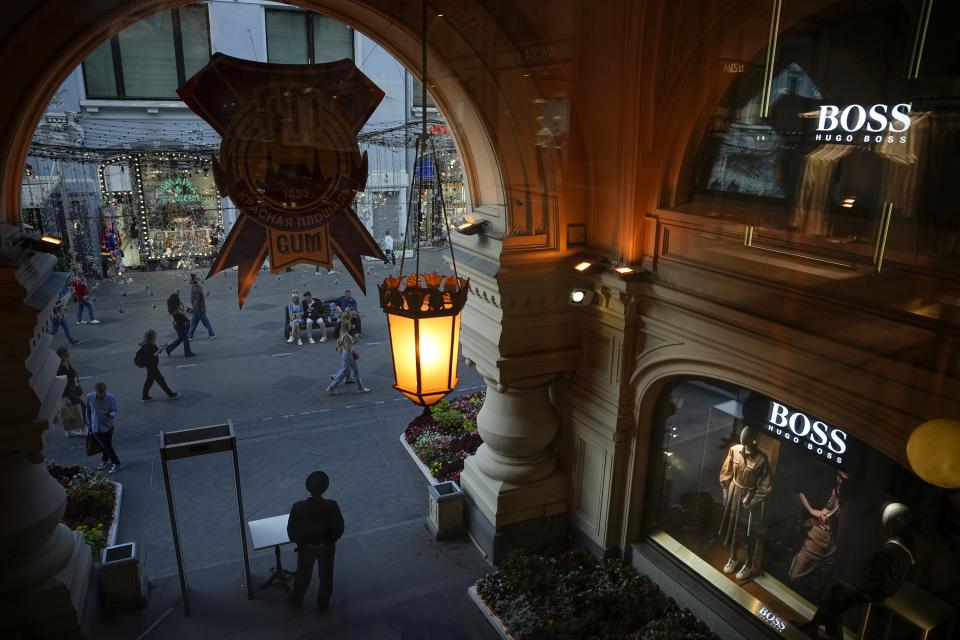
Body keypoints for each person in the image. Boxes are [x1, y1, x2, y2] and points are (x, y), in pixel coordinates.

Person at [796, 503, 915, 640]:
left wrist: (861, 589)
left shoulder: (890, 550)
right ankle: (819, 629)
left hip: (868, 591)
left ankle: (817, 629)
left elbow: (884, 586)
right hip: (870, 587)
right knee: (834, 598)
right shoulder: (906, 545)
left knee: (833, 595)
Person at [287, 471, 344, 611]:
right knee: (326, 577)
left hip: (306, 549)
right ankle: (323, 604)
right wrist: (328, 541)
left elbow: (292, 531)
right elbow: (339, 528)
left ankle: (297, 600)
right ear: (326, 487)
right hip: (326, 548)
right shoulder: (332, 506)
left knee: (302, 575)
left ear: (307, 487)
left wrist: (303, 544)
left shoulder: (298, 507)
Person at [84, 382, 122, 473]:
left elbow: (114, 410)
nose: (102, 395)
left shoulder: (110, 398)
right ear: (96, 391)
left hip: (108, 425)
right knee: (106, 445)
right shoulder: (90, 397)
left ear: (105, 390)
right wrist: (88, 424)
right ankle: (116, 463)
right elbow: (88, 411)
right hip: (95, 426)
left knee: (107, 445)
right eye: (100, 392)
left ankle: (105, 460)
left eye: (103, 392)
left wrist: (112, 415)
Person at [137, 329, 180, 401]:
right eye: (155, 336)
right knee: (160, 380)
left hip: (151, 365)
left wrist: (161, 348)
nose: (156, 337)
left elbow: (156, 351)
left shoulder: (151, 343)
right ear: (151, 337)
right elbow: (152, 355)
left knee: (149, 381)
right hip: (151, 366)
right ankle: (170, 394)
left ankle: (145, 396)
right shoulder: (147, 346)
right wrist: (159, 350)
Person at [56, 346, 85, 436]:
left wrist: (73, 371)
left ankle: (69, 431)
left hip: (69, 389)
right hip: (68, 391)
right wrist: (66, 395)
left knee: (67, 410)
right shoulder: (61, 365)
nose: (69, 354)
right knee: (81, 407)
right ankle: (82, 428)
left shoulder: (65, 362)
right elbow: (62, 380)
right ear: (62, 355)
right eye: (67, 353)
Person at [165, 293, 194, 357]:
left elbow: (182, 313)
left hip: (181, 324)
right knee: (185, 338)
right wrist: (184, 307)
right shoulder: (174, 309)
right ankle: (187, 353)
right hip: (180, 325)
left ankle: (169, 348)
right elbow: (183, 314)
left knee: (181, 338)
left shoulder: (176, 307)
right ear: (176, 300)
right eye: (178, 298)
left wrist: (182, 306)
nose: (179, 299)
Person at [188, 274, 216, 341]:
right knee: (193, 322)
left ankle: (212, 334)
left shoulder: (196, 289)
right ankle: (190, 336)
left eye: (190, 279)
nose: (189, 280)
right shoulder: (194, 287)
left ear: (193, 280)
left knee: (205, 322)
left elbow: (196, 300)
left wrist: (192, 309)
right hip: (197, 309)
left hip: (199, 309)